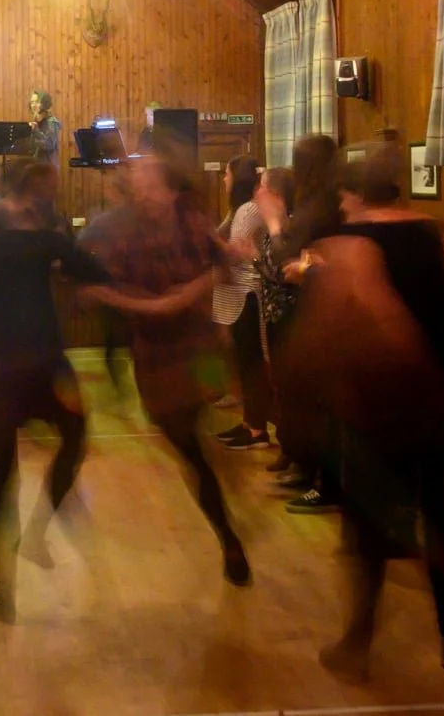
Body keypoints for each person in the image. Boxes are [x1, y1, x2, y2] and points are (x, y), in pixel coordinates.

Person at [290, 141, 444, 681]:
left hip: (374, 401)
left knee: (367, 527)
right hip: (437, 394)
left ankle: (357, 643)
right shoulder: (434, 234)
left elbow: (327, 326)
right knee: (441, 517)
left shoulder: (347, 244)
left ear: (352, 194)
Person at [0, 161, 116, 623]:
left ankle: (6, 592)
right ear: (31, 193)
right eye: (47, 189)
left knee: (5, 474)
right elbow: (93, 270)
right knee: (70, 441)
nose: (52, 196)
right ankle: (33, 540)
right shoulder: (42, 238)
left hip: (7, 365)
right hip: (40, 363)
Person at [82, 156, 250, 586]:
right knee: (188, 446)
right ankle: (225, 526)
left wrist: (202, 294)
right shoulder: (122, 232)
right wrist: (152, 304)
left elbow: (225, 266)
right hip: (156, 355)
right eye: (137, 185)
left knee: (207, 417)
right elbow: (99, 287)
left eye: (150, 185)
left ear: (173, 191)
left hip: (199, 349)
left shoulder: (192, 224)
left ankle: (226, 517)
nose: (142, 193)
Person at [255, 136, 344, 505]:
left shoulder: (319, 208)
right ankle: (310, 470)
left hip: (313, 310)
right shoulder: (328, 204)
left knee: (318, 402)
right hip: (318, 310)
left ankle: (325, 481)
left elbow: (284, 256)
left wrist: (274, 221)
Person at [213, 156, 270, 449]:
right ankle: (250, 422)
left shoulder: (248, 209)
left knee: (251, 364)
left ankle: (257, 429)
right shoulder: (238, 209)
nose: (224, 179)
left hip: (246, 293)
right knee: (244, 363)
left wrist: (204, 241)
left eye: (227, 173)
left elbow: (234, 252)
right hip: (236, 293)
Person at [28, 89, 62, 168]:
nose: (33, 105)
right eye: (32, 102)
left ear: (45, 103)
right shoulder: (35, 121)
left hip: (48, 168)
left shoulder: (52, 122)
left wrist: (36, 132)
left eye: (37, 102)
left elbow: (49, 145)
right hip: (36, 167)